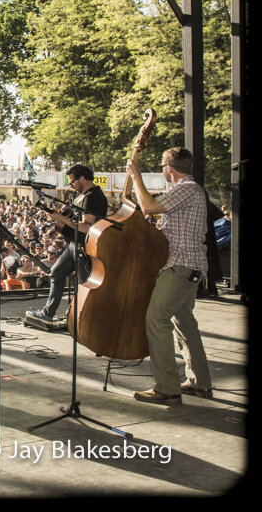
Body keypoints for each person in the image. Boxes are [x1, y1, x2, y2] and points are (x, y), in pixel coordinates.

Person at [126, 147, 213, 404]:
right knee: (184, 322)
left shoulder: (187, 188)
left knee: (156, 319)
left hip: (181, 266)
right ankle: (199, 382)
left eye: (162, 166)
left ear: (169, 168)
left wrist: (136, 176)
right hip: (188, 266)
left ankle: (167, 388)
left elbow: (150, 206)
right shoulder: (185, 190)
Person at [25, 164, 108, 323]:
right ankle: (47, 313)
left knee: (85, 284)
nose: (71, 186)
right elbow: (70, 219)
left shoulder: (93, 197)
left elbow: (86, 227)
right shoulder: (82, 196)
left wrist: (61, 219)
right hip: (73, 245)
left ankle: (89, 320)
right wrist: (57, 217)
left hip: (85, 247)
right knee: (55, 273)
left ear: (82, 178)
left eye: (72, 182)